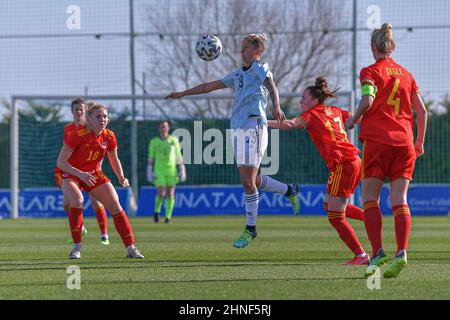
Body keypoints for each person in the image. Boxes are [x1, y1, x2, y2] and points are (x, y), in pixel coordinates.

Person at [165, 33, 300, 249]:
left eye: (246, 47)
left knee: (247, 182)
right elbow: (207, 86)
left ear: (257, 50)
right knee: (252, 181)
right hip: (238, 129)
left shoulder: (259, 67)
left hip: (254, 124)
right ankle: (289, 190)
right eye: (241, 48)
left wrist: (276, 105)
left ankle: (250, 229)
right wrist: (182, 93)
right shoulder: (237, 74)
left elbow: (270, 82)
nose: (242, 51)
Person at [345, 23, 428, 278]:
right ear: (392, 46)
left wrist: (354, 119)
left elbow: (368, 100)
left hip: (378, 142)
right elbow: (422, 111)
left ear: (373, 47)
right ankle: (401, 253)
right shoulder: (407, 74)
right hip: (405, 142)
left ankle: (378, 252)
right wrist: (420, 142)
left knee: (370, 199)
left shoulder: (369, 71)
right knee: (399, 200)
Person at [268, 76, 368, 265]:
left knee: (335, 216)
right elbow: (358, 118)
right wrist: (355, 123)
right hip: (353, 161)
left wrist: (262, 123)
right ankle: (371, 219)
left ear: (314, 100)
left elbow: (288, 124)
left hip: (343, 164)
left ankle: (361, 255)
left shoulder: (311, 115)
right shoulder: (335, 110)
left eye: (303, 97)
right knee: (329, 206)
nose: (300, 101)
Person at [56, 102, 144, 259]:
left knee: (115, 205)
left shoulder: (109, 136)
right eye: (98, 116)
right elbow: (61, 163)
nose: (102, 119)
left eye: (105, 116)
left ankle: (131, 248)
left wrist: (121, 176)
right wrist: (81, 174)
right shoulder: (77, 135)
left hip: (94, 173)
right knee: (77, 200)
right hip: (69, 172)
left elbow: (114, 159)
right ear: (89, 118)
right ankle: (77, 247)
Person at [54, 98, 110, 245]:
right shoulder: (68, 129)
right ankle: (80, 228)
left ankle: (104, 235)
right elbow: (66, 152)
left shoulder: (93, 128)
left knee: (96, 202)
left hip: (90, 170)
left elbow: (99, 150)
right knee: (68, 203)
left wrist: (97, 167)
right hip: (72, 171)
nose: (79, 112)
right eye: (76, 109)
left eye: (82, 109)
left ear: (87, 111)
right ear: (72, 112)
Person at [147, 120, 186, 224]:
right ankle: (156, 212)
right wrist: (149, 170)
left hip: (171, 170)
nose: (164, 128)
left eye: (165, 126)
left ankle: (168, 217)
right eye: (162, 126)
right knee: (161, 193)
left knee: (170, 194)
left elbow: (178, 155)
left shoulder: (174, 140)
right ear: (159, 128)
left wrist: (182, 168)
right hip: (159, 170)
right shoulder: (154, 142)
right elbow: (151, 157)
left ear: (168, 128)